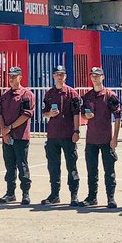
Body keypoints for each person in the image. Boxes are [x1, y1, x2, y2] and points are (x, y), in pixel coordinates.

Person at [42, 66, 83, 207]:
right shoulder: (49, 93)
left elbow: (76, 113)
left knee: (71, 166)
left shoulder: (72, 93)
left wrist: (76, 131)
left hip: (68, 134)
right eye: (57, 74)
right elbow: (44, 112)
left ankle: (74, 195)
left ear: (65, 76)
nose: (60, 77)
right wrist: (49, 114)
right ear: (53, 76)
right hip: (53, 135)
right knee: (53, 166)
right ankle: (54, 195)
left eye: (62, 74)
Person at [81, 66, 120, 208]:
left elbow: (117, 117)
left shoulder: (110, 95)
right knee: (91, 170)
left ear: (103, 77)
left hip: (106, 139)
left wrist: (115, 137)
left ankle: (110, 198)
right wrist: (85, 116)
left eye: (97, 75)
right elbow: (82, 114)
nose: (95, 78)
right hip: (91, 139)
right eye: (93, 75)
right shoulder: (87, 96)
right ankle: (92, 197)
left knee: (109, 170)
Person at [0, 66, 34, 205]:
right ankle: (10, 193)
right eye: (10, 76)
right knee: (9, 166)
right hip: (7, 137)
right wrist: (3, 130)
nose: (11, 79)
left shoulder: (26, 94)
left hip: (20, 136)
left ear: (20, 77)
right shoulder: (5, 95)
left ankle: (25, 193)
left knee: (22, 165)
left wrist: (10, 128)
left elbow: (26, 114)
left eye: (14, 76)